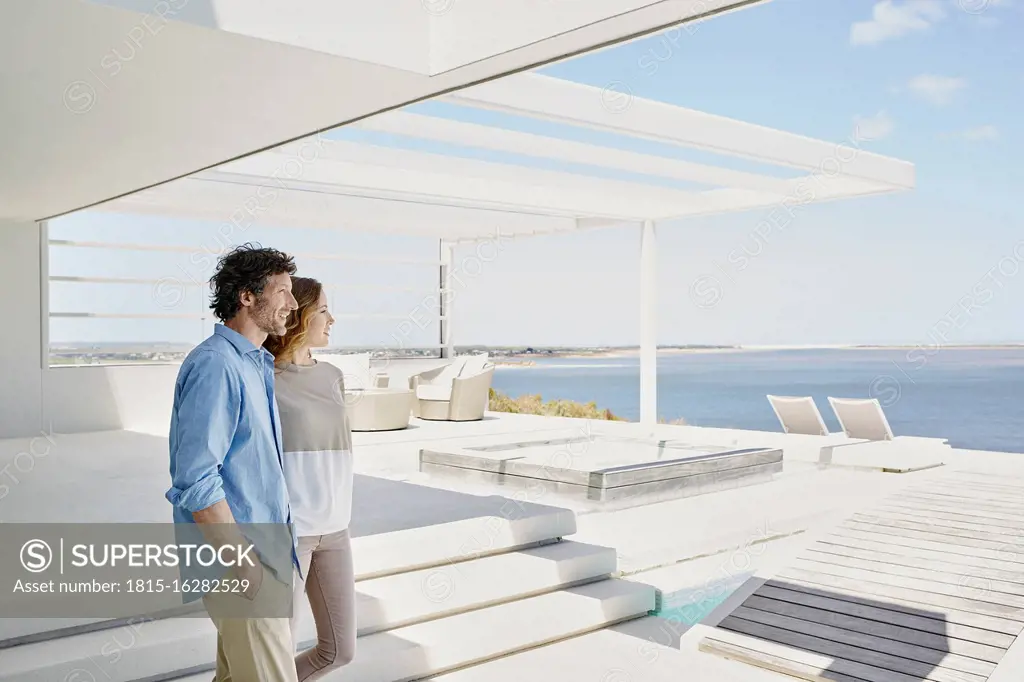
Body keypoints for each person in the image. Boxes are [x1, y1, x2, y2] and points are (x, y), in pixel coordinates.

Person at [166, 244, 301, 682]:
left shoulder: (254, 364)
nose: (293, 304)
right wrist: (244, 564)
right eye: (282, 291)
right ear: (247, 296)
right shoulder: (217, 365)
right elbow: (197, 480)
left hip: (267, 557)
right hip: (244, 562)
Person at [263, 276, 357, 681]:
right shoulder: (262, 377)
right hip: (289, 534)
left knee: (338, 650)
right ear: (300, 316)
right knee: (271, 655)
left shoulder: (333, 375)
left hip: (336, 530)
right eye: (322, 310)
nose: (331, 318)